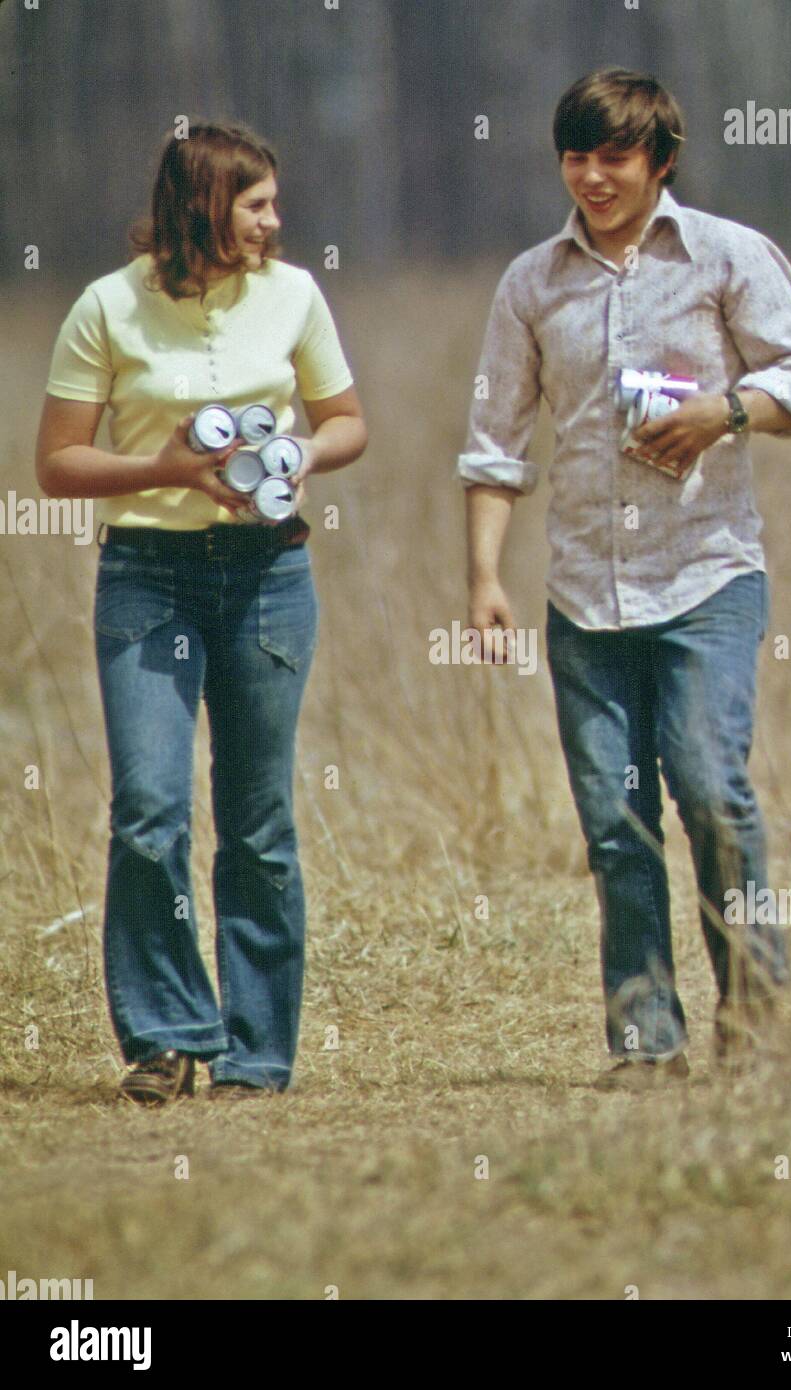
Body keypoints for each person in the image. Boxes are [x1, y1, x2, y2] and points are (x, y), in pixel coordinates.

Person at [459, 69, 791, 1090]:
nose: (593, 176)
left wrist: (726, 408)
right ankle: (644, 1042)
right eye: (576, 156)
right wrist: (486, 577)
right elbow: (495, 446)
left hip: (708, 575)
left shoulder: (725, 254)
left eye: (614, 156)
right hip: (585, 593)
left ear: (659, 160)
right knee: (618, 828)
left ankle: (757, 1022)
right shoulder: (532, 283)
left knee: (711, 790)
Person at [35, 122, 366, 1104]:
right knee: (150, 808)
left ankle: (258, 1052)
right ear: (204, 205)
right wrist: (166, 468)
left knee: (258, 817)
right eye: (257, 202)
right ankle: (167, 1032)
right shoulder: (108, 307)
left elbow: (349, 419)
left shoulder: (295, 293)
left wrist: (303, 452)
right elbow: (57, 464)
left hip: (267, 571)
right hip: (148, 573)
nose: (275, 220)